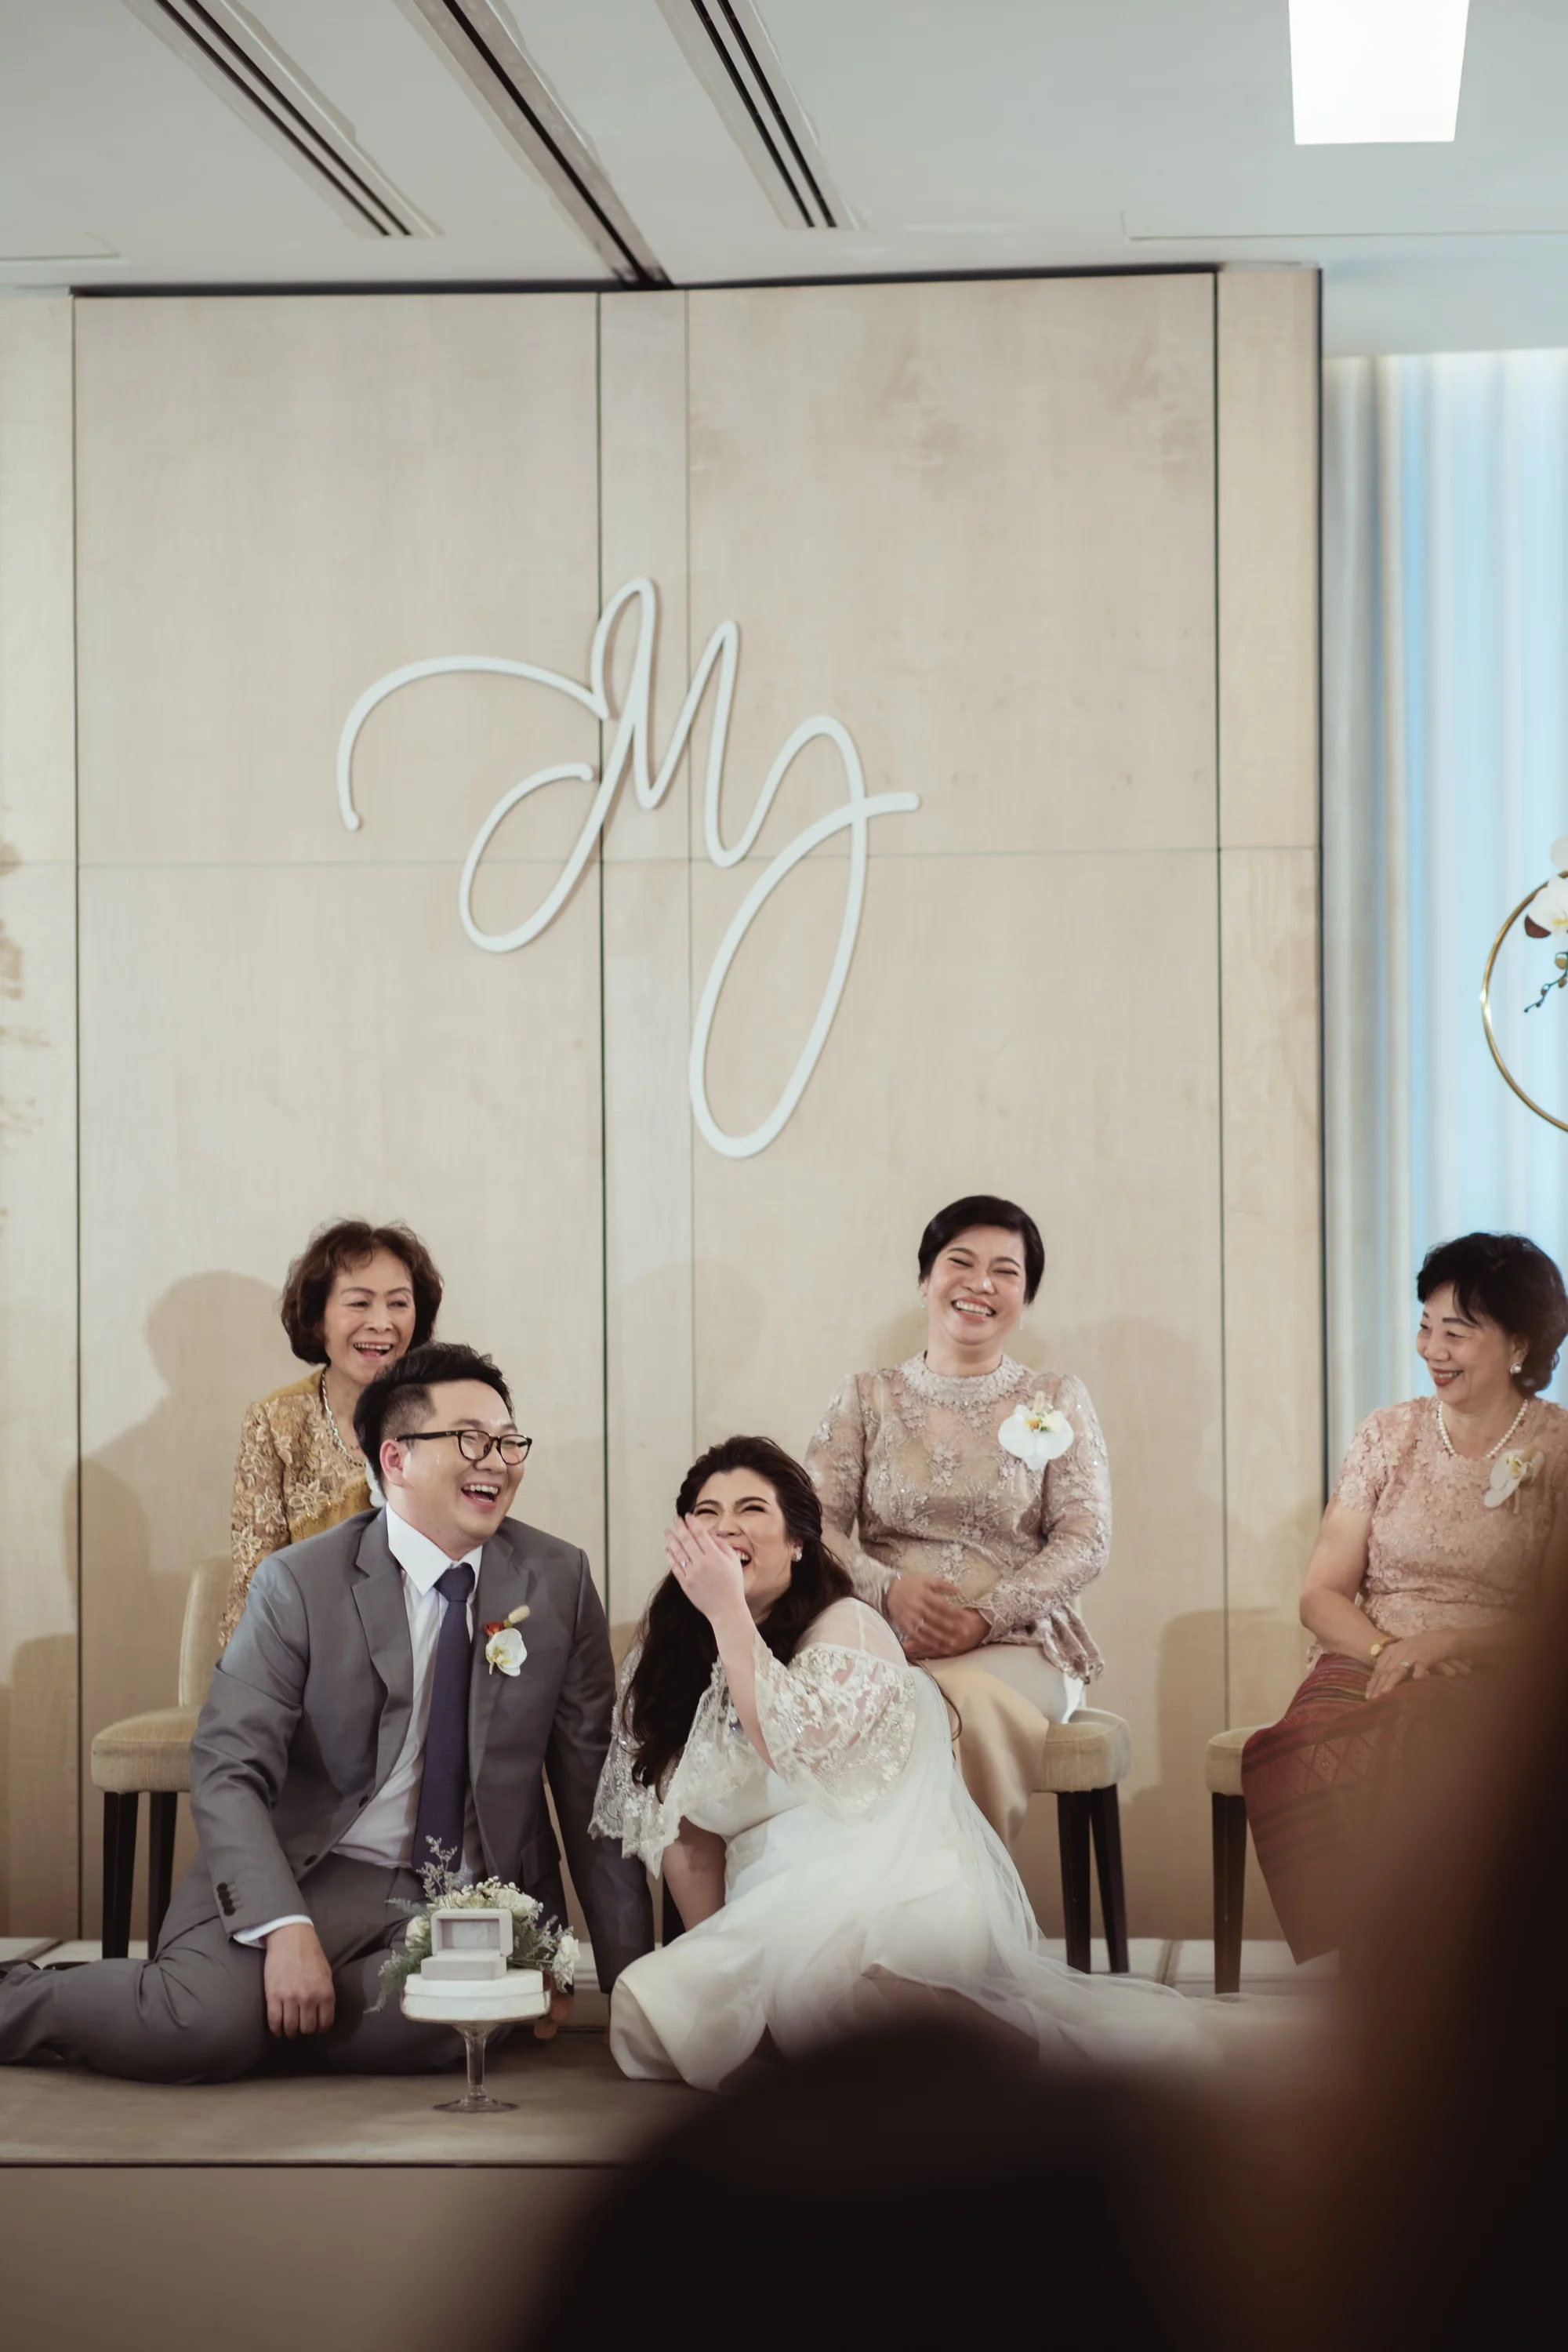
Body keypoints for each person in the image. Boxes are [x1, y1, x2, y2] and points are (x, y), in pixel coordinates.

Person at [0, 1341, 652, 2080]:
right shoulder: (300, 1583)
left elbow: (595, 1790)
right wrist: (284, 1929)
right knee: (198, 2027)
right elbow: (227, 1766)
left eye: (508, 1441)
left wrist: (631, 1987)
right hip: (310, 1870)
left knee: (454, 2021)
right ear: (396, 1458)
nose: (497, 1462)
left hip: (467, 1898)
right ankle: (33, 2000)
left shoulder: (556, 1579)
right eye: (471, 1440)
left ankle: (260, 2017)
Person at [592, 1435, 1205, 2091]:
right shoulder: (668, 1657)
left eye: (751, 1510)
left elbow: (795, 1748)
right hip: (767, 1909)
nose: (726, 1528)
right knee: (654, 2007)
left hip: (889, 1890)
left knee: (826, 1995)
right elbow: (681, 1830)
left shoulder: (847, 1628)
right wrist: (717, 1966)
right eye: (707, 1514)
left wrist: (728, 1615)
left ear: (797, 1542)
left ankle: (1040, 2071)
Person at [1242, 1231, 1568, 1962]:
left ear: (1519, 1343)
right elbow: (1321, 1595)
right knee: (1296, 1747)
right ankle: (1386, 1960)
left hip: (1498, 1673)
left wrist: (1446, 1645)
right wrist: (1393, 1650)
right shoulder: (1387, 1434)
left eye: (1457, 1332)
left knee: (1423, 1733)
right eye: (1426, 1327)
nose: (1432, 1350)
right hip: (1368, 1657)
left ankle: (1424, 1967)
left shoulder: (1560, 1449)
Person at [804, 1193, 1109, 1848]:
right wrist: (886, 1589)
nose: (981, 1283)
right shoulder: (865, 1397)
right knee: (855, 1702)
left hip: (1020, 1646)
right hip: (883, 1640)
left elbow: (1086, 1539)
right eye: (961, 1262)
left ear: (1026, 1299)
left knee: (939, 1705)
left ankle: (945, 1901)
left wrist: (983, 1617)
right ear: (925, 1280)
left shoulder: (1055, 1399)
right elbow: (811, 1528)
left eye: (1006, 1271)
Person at [221, 1218, 444, 1649]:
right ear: (317, 1319)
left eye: (399, 1303)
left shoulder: (445, 1413)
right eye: (359, 1303)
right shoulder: (276, 1422)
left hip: (427, 1646)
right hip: (312, 1652)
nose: (381, 1323)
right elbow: (256, 1584)